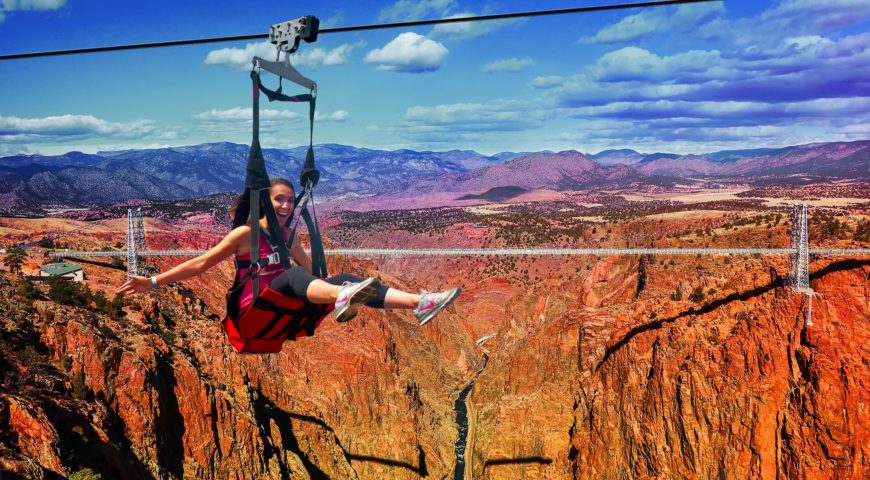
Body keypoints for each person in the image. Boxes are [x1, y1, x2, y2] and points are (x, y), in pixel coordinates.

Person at [117, 178, 461, 327]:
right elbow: (201, 263)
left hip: (286, 298)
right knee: (292, 275)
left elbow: (311, 275)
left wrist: (331, 287)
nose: (286, 205)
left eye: (290, 199)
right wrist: (154, 281)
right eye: (278, 198)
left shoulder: (291, 237)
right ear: (265, 200)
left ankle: (421, 304)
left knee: (347, 279)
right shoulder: (246, 233)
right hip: (253, 307)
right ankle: (343, 296)